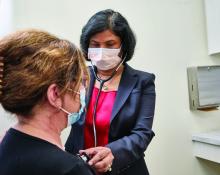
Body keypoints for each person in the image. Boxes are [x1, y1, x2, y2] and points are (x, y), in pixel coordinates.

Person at [65, 9, 156, 175]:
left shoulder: (143, 82)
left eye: (109, 44)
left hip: (125, 168)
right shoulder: (78, 76)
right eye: (95, 44)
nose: (101, 51)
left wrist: (111, 153)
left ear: (123, 45)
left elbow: (142, 133)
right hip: (78, 166)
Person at [0, 29, 95, 175]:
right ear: (55, 94)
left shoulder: (5, 145)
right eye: (81, 82)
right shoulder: (71, 169)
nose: (84, 90)